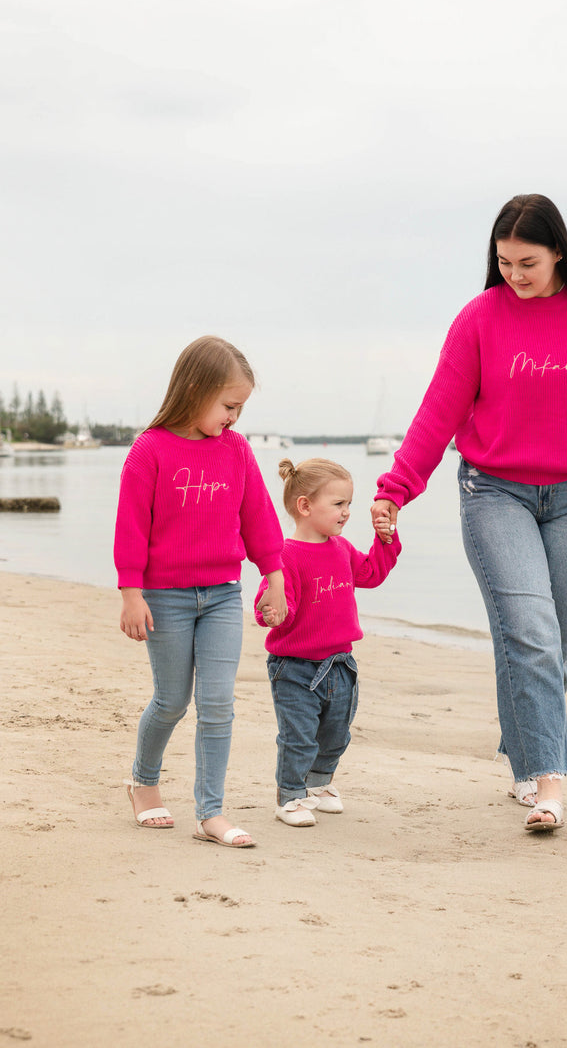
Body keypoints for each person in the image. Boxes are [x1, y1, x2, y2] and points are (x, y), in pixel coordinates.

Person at [370, 194, 567, 833]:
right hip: (493, 492)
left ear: (559, 251)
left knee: (550, 641)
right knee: (529, 629)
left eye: (527, 261)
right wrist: (396, 489)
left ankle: (524, 760)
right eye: (503, 263)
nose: (515, 274)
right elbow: (438, 412)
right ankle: (550, 784)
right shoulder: (479, 319)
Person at [114, 335, 286, 849]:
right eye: (229, 405)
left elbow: (257, 516)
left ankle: (210, 811)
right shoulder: (150, 450)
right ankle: (143, 782)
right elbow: (130, 527)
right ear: (195, 390)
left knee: (218, 703)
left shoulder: (235, 450)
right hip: (163, 598)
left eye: (240, 408)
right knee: (171, 701)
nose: (234, 417)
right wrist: (131, 593)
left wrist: (273, 575)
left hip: (222, 596)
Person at [255, 458, 401, 827]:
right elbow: (273, 600)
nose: (347, 512)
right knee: (299, 736)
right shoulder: (285, 556)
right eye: (339, 504)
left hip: (340, 664)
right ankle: (290, 795)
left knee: (336, 734)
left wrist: (385, 540)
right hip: (295, 667)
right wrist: (271, 612)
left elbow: (370, 573)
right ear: (304, 506)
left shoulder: (341, 548)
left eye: (349, 504)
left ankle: (318, 785)